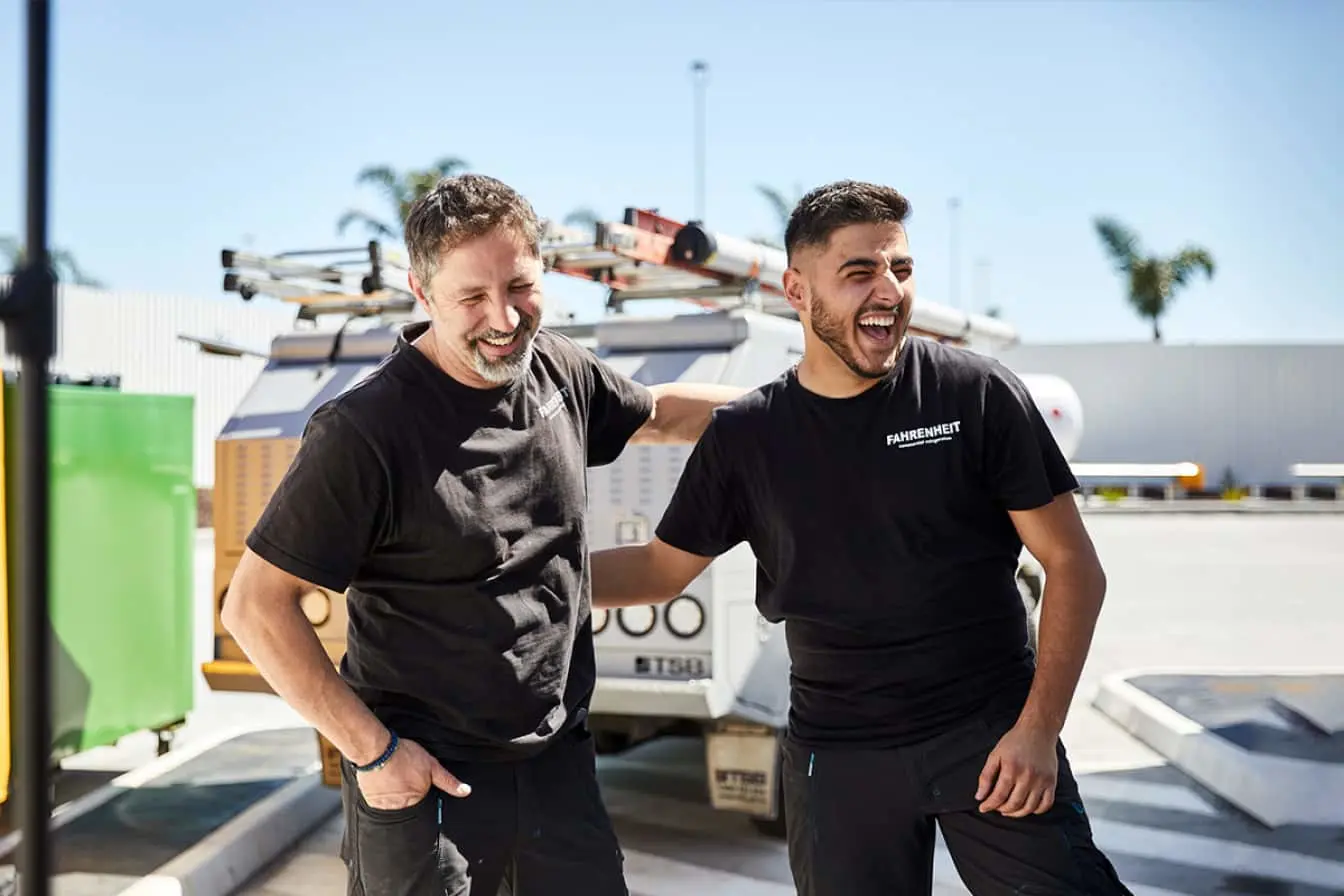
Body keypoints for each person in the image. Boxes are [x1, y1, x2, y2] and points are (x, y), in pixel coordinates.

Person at [589, 180, 1134, 895]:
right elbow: (660, 569)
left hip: (991, 736)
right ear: (796, 288)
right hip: (835, 756)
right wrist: (519, 579)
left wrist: (1037, 730)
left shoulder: (974, 394)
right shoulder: (750, 436)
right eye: (859, 273)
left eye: (900, 270)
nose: (888, 291)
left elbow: (1072, 566)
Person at [220, 173, 744, 896]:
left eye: (521, 286)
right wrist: (373, 756)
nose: (504, 318)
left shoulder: (558, 370)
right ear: (422, 291)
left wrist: (796, 411)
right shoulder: (366, 433)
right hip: (426, 782)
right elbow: (254, 607)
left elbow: (660, 412)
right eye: (472, 297)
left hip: (559, 768)